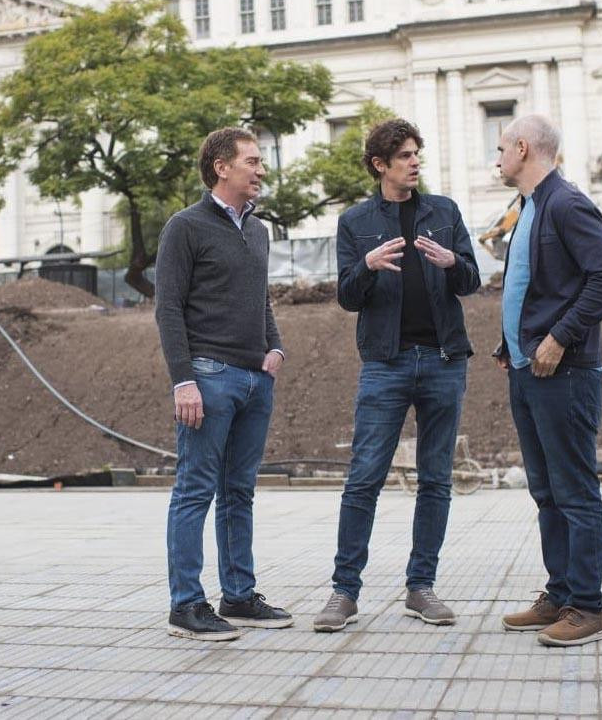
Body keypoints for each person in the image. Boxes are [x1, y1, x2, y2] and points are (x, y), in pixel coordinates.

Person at [313, 119, 481, 632]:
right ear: (379, 165)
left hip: (443, 362)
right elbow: (347, 296)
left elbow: (471, 281)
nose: (414, 162)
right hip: (384, 365)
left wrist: (453, 261)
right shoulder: (355, 221)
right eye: (404, 156)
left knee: (436, 480)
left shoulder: (444, 212)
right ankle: (344, 592)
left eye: (416, 154)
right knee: (364, 479)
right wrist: (364, 264)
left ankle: (421, 587)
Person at [155, 127, 292, 642]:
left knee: (240, 492)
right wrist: (183, 381)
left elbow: (262, 299)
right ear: (221, 167)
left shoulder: (258, 230)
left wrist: (274, 348)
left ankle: (238, 595)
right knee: (195, 490)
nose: (260, 170)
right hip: (208, 378)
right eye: (252, 162)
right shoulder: (184, 227)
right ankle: (186, 605)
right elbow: (167, 308)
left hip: (256, 379)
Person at [493, 114, 602, 646]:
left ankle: (588, 608)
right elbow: (533, 285)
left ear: (523, 148)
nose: (496, 158)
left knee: (574, 490)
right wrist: (512, 342)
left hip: (563, 370)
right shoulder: (529, 207)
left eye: (501, 148)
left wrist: (558, 338)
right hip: (528, 371)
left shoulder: (566, 203)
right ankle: (561, 594)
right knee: (547, 491)